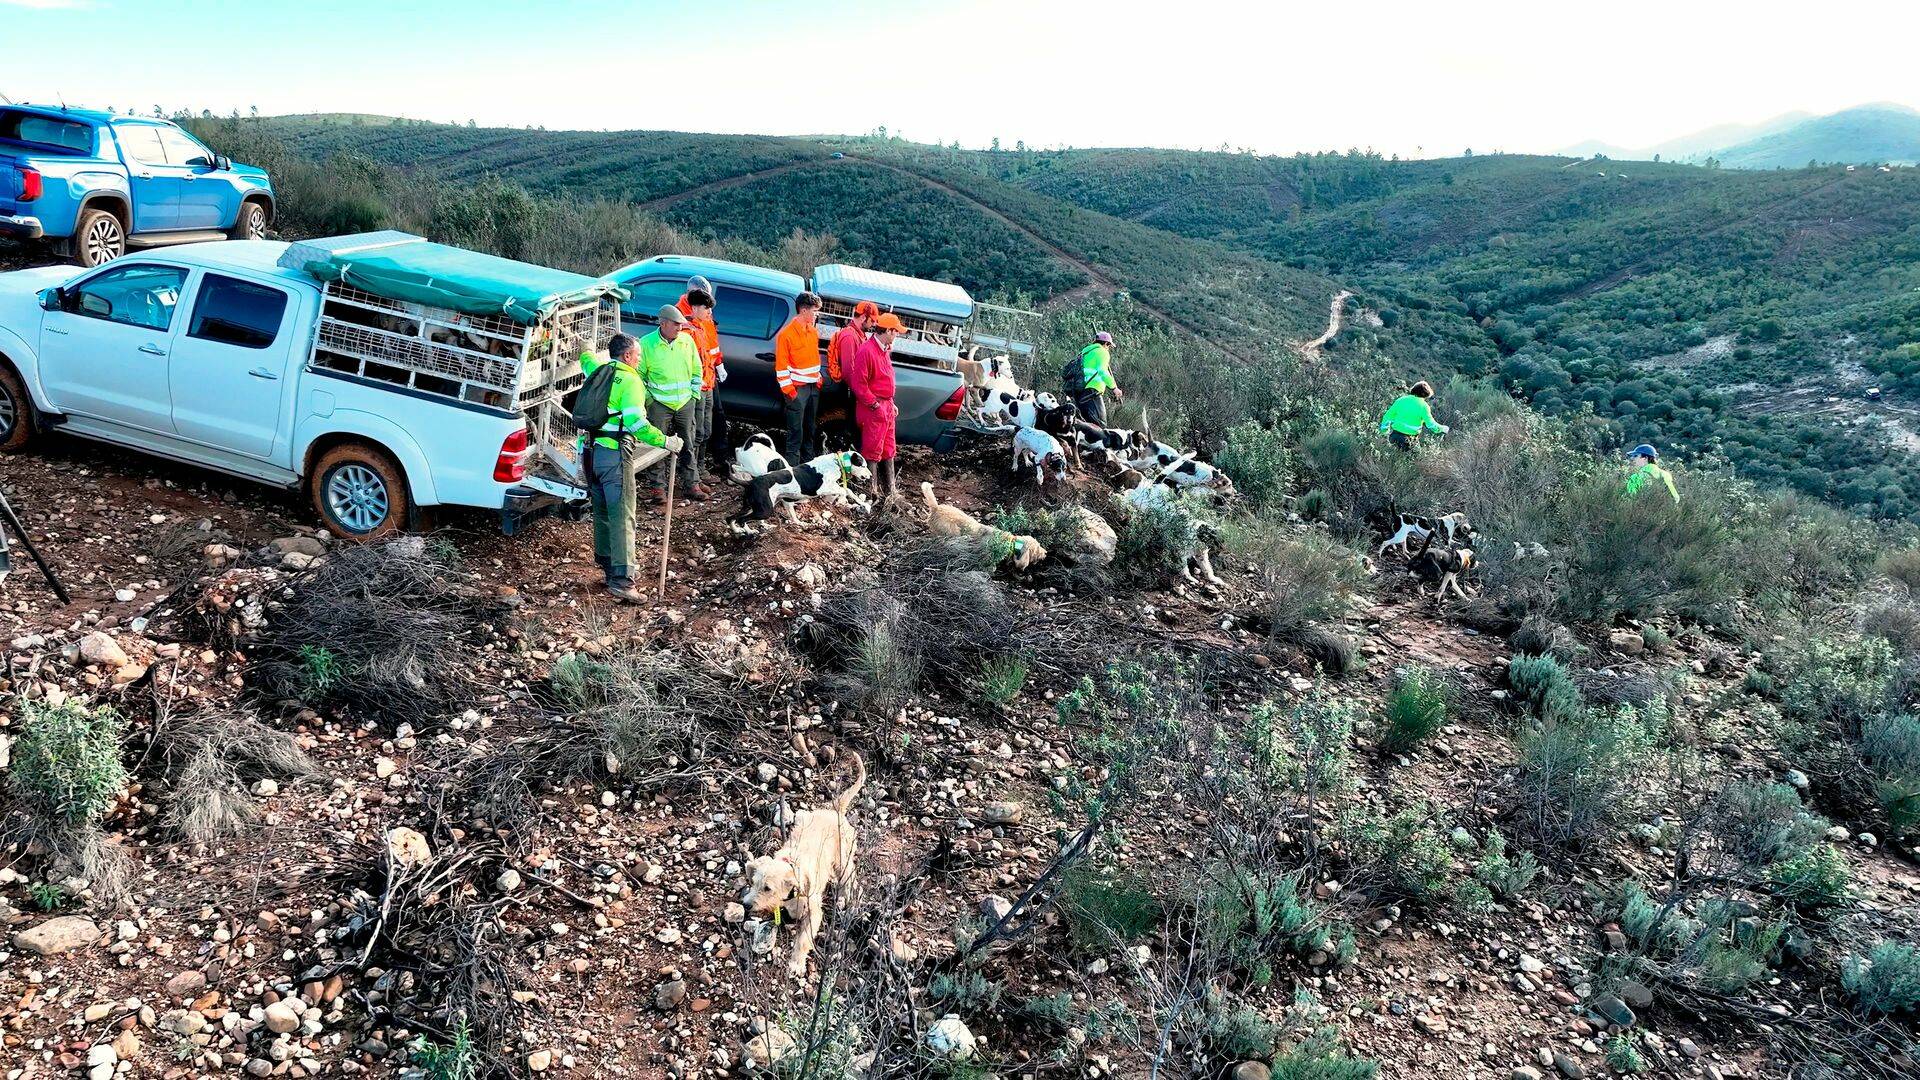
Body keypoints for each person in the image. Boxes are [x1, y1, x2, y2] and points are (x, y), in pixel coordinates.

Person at [579, 334, 680, 603]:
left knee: (601, 511)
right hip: (614, 455)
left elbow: (586, 360)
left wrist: (587, 346)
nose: (639, 359)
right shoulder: (632, 381)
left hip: (589, 454)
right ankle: (623, 582)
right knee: (623, 515)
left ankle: (608, 567)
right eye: (637, 355)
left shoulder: (599, 371)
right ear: (626, 356)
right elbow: (637, 424)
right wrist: (666, 441)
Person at [639, 305, 706, 501]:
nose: (680, 328)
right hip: (659, 404)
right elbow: (638, 375)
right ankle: (658, 488)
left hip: (685, 403)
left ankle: (691, 484)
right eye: (676, 325)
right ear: (663, 323)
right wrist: (649, 400)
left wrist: (694, 394)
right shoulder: (646, 344)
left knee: (688, 444)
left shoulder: (686, 341)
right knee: (656, 445)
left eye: (681, 325)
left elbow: (696, 368)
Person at [847, 312, 904, 504]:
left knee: (888, 449)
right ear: (887, 331)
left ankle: (891, 492)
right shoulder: (867, 350)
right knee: (872, 449)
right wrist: (875, 404)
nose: (897, 334)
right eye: (895, 331)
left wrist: (891, 402)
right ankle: (871, 494)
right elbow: (858, 384)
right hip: (873, 408)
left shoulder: (883, 349)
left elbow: (884, 381)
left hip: (885, 406)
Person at [775, 292, 825, 458]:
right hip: (797, 390)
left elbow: (812, 360)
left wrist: (817, 380)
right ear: (803, 311)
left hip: (813, 389)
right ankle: (792, 468)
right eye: (814, 311)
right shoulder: (786, 335)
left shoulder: (812, 332)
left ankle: (808, 463)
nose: (816, 314)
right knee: (795, 431)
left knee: (810, 428)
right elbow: (781, 368)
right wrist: (791, 393)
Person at [825, 300, 879, 448]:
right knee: (849, 431)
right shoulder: (850, 336)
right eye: (872, 320)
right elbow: (849, 371)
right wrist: (862, 394)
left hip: (854, 392)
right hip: (852, 393)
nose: (873, 324)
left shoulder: (858, 334)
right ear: (863, 317)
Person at [1066, 330, 1122, 426]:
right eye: (1109, 346)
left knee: (1086, 424)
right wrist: (1114, 388)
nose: (1109, 348)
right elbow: (1103, 372)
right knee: (1100, 425)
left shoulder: (1085, 352)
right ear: (1106, 343)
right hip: (1092, 391)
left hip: (1079, 391)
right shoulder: (1102, 352)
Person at [1378, 380, 1448, 450]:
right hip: (1409, 440)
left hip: (1394, 436)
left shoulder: (1401, 400)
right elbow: (1431, 425)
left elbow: (1387, 417)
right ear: (1426, 394)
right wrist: (1443, 429)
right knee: (1413, 460)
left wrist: (1384, 432)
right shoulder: (1424, 406)